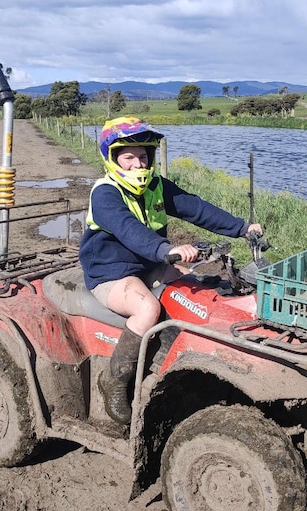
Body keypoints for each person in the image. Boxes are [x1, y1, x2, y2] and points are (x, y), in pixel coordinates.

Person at [79, 117, 262, 425]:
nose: (138, 164)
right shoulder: (105, 194)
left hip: (149, 264)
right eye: (129, 156)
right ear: (113, 158)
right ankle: (115, 379)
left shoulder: (156, 186)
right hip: (111, 273)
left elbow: (196, 208)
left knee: (194, 289)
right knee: (147, 308)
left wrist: (242, 228)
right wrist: (166, 251)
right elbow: (129, 230)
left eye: (143, 156)